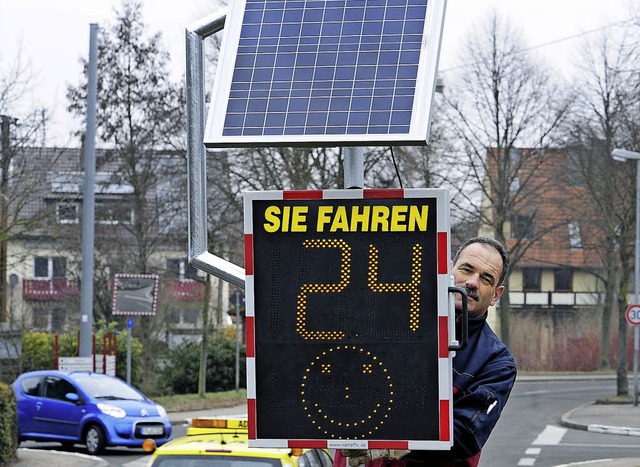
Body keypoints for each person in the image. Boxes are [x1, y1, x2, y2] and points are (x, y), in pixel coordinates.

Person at [335, 237, 517, 467]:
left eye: (486, 278)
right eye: (466, 269)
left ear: (497, 295)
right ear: (448, 269)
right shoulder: (386, 322)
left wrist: (399, 444)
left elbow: (466, 434)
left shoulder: (496, 363)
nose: (472, 282)